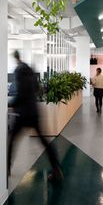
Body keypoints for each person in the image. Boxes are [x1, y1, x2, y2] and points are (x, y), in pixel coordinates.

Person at [8, 50, 63, 181]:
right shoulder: (31, 70)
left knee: (12, 141)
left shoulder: (18, 70)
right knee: (45, 142)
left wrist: (10, 103)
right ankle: (56, 168)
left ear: (15, 58)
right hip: (34, 111)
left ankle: (6, 169)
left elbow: (20, 93)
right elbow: (38, 89)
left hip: (23, 112)